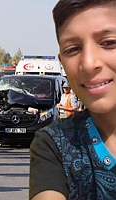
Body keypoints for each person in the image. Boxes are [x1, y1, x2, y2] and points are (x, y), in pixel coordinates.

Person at [29, 0, 116, 199]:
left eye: (109, 43)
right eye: (73, 50)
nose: (88, 63)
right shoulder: (55, 144)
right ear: (62, 63)